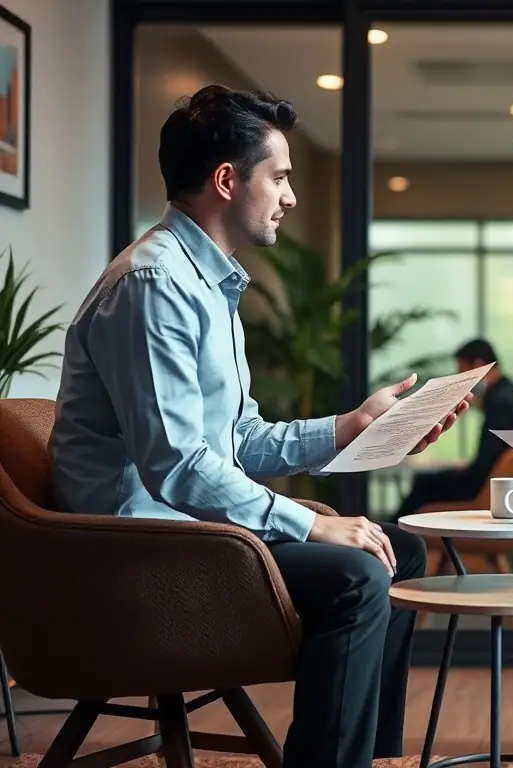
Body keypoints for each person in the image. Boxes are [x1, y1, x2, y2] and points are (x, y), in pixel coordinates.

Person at [47, 85, 470, 768]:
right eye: (280, 176)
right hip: (138, 555)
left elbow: (237, 441)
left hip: (194, 534)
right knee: (360, 576)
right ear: (226, 180)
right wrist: (311, 524)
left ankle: (361, 758)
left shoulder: (209, 284)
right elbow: (177, 466)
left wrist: (352, 425)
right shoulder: (152, 286)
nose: (290, 196)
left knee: (401, 556)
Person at [396, 338, 513, 517]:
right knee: (432, 479)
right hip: (502, 486)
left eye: (462, 371)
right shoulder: (507, 394)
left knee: (424, 483)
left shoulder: (502, 403)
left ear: (478, 366)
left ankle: (392, 535)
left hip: (494, 489)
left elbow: (481, 467)